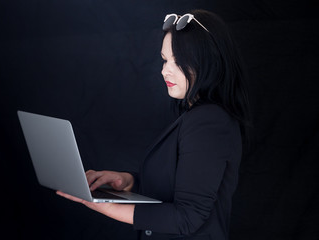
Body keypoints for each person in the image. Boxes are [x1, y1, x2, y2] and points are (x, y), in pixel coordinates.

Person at [57, 9, 250, 240]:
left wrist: (101, 204)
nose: (164, 70)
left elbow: (187, 217)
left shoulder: (209, 121)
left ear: (207, 61)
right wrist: (128, 181)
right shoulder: (198, 116)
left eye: (178, 62)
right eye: (165, 59)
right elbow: (179, 184)